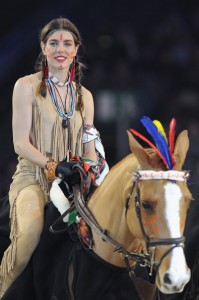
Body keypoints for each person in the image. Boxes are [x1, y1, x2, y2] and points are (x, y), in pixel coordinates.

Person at [0, 17, 109, 297]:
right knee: (28, 237)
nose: (60, 48)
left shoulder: (85, 96)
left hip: (73, 183)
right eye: (53, 43)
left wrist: (90, 168)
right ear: (43, 48)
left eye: (67, 43)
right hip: (33, 179)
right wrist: (54, 165)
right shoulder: (25, 86)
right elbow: (20, 143)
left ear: (76, 50)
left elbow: (88, 147)